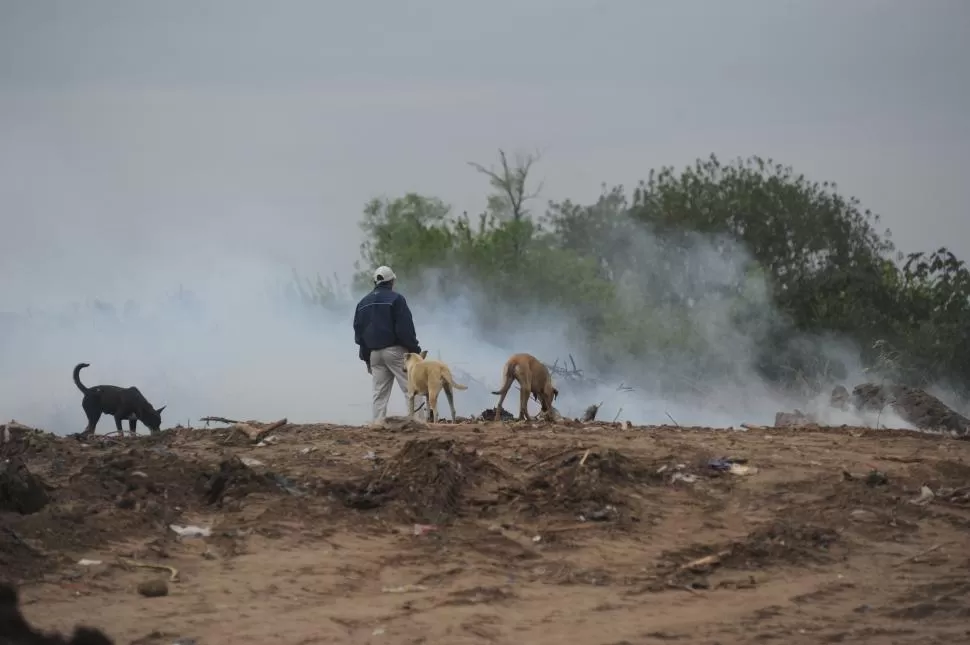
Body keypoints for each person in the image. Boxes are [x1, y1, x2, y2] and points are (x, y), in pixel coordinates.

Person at [353, 265, 425, 422]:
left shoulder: (362, 303)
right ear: (392, 281)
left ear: (375, 282)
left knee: (379, 394)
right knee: (411, 388)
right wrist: (415, 351)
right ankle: (418, 423)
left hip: (374, 354)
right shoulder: (396, 299)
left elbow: (360, 336)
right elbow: (405, 330)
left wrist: (367, 359)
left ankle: (378, 424)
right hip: (396, 352)